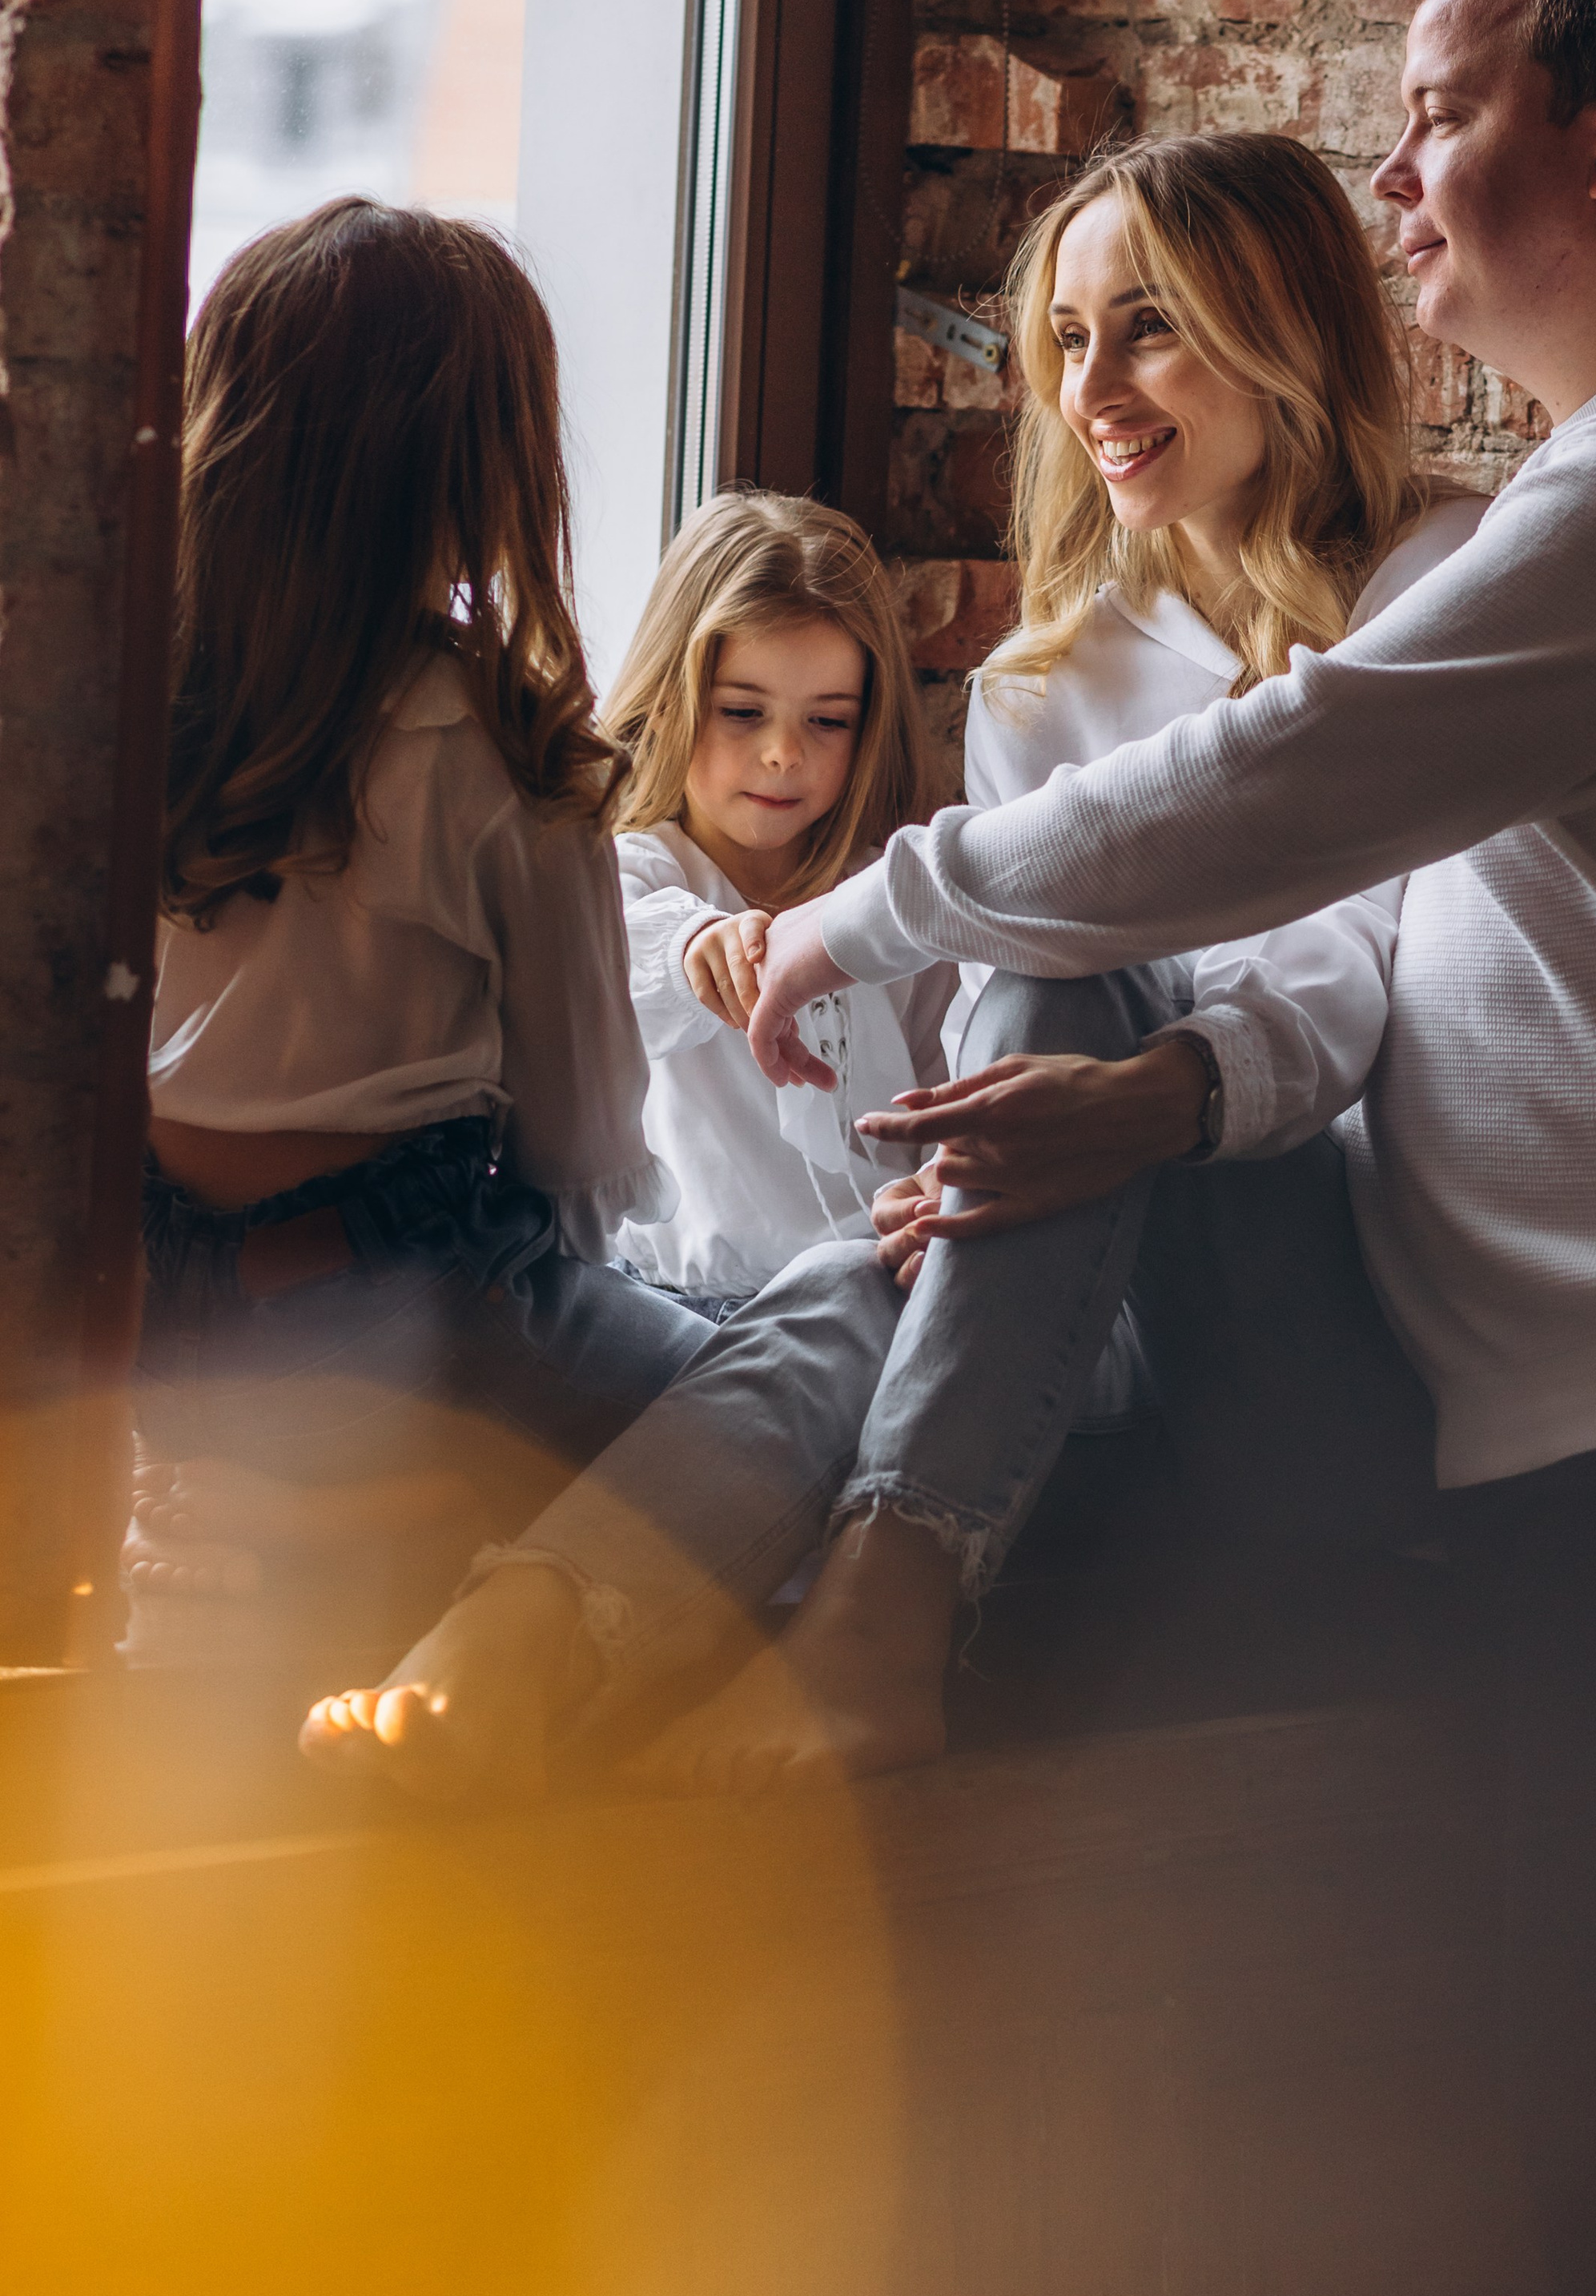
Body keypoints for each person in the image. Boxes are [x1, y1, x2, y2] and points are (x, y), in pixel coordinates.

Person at [740, 0, 1596, 2296]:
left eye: (1434, 112)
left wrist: (862, 905)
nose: (1390, 179)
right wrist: (1164, 1094)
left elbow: (1277, 782)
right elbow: (1384, 947)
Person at [300, 130, 1474, 1790]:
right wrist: (976, 1155)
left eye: (1148, 325)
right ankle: (567, 1624)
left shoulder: (1438, 586)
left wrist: (1126, 1101)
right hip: (1077, 1303)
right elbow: (1006, 982)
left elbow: (1344, 974)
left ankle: (738, 1612)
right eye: (1067, 339)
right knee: (892, 1233)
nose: (1093, 390)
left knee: (1074, 996)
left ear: (1276, 325)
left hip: (1314, 1295)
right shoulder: (1041, 687)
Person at [125, 200, 712, 1654]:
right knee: (761, 1381)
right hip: (398, 1305)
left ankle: (245, 1499)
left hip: (153, 1303)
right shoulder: (496, 745)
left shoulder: (125, 703)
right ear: (475, 472)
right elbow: (580, 1139)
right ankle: (391, 1506)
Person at [601, 489, 955, 1321]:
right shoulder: (635, 869)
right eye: (741, 712)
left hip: (871, 1292)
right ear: (668, 699)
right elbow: (605, 960)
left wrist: (936, 1189)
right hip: (672, 1302)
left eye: (827, 721)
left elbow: (945, 1080)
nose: (782, 753)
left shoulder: (890, 892)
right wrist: (700, 947)